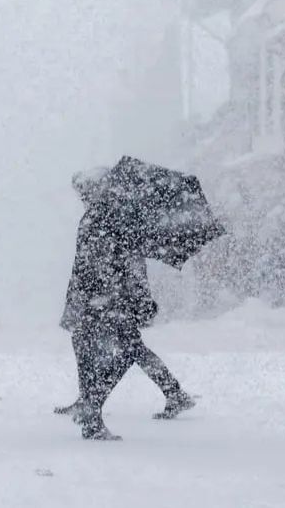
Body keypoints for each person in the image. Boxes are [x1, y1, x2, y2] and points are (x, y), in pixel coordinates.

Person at [57, 171, 195, 440]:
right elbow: (98, 263)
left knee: (125, 349)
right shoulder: (106, 215)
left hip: (108, 300)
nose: (82, 195)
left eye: (84, 190)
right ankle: (92, 404)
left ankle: (91, 407)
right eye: (79, 191)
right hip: (103, 299)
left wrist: (136, 299)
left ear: (96, 189)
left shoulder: (106, 217)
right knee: (107, 346)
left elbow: (117, 264)